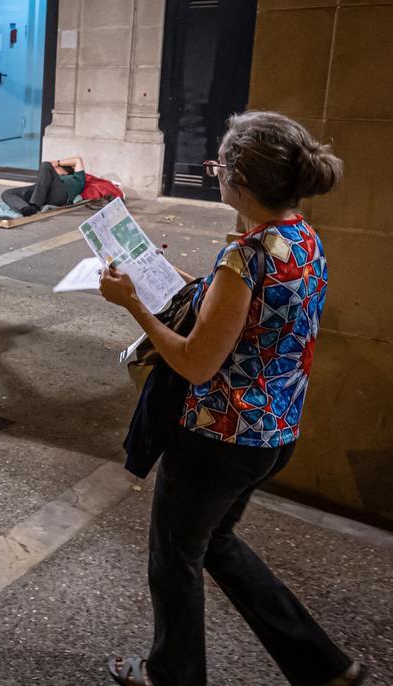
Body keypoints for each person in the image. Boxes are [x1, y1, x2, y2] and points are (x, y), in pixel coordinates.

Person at [99, 112, 365, 686]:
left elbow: (196, 361)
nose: (214, 173)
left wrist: (133, 305)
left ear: (239, 180)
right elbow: (251, 322)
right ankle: (325, 667)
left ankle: (173, 675)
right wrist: (174, 282)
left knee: (175, 560)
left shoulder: (245, 257)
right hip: (276, 431)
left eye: (219, 166)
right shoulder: (301, 240)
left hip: (219, 437)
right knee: (215, 544)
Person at [2, 156, 86, 216]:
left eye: (56, 168)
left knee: (45, 164)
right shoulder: (46, 179)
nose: (53, 168)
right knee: (7, 193)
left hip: (60, 193)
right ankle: (26, 208)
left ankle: (35, 205)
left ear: (65, 171)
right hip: (41, 191)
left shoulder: (77, 179)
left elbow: (77, 159)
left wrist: (57, 163)